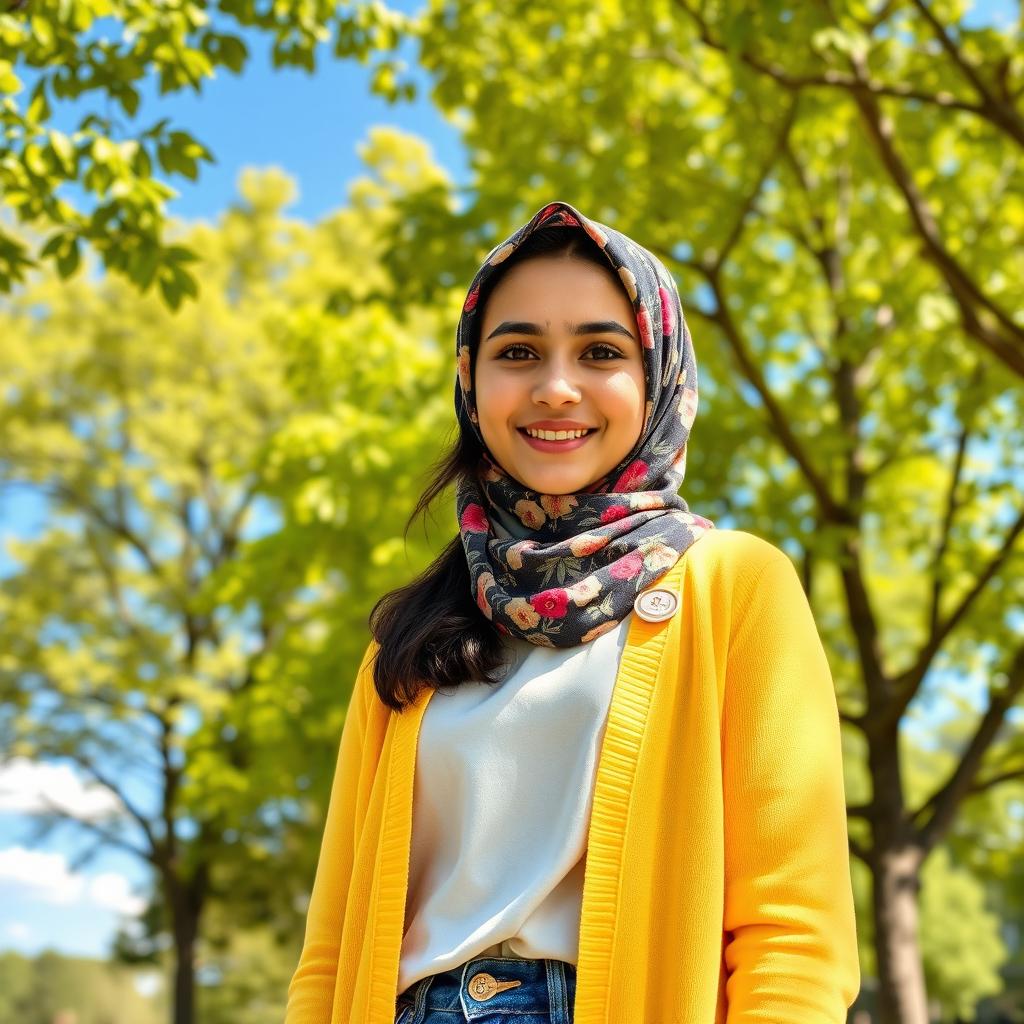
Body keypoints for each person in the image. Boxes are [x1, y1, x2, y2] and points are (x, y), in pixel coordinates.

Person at [284, 200, 860, 1023]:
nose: (556, 388)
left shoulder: (735, 586)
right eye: (517, 351)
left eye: (600, 351)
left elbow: (793, 938)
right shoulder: (407, 638)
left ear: (659, 374)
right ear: (470, 381)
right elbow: (331, 948)